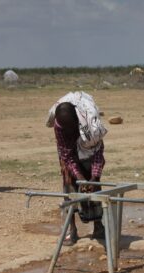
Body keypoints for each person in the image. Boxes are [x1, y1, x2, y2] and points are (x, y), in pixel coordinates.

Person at [48, 92, 107, 246]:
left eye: (70, 127)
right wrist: (79, 177)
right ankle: (72, 229)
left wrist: (93, 177)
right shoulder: (60, 127)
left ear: (77, 121)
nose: (68, 131)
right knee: (69, 185)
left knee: (94, 186)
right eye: (65, 128)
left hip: (88, 145)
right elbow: (67, 156)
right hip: (68, 152)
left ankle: (98, 227)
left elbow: (97, 152)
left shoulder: (90, 125)